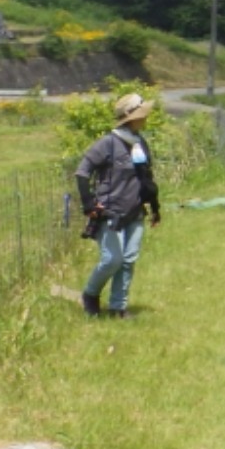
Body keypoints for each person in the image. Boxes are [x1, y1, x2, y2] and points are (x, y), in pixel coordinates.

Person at [75, 92, 162, 319]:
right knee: (112, 259)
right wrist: (89, 204)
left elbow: (147, 178)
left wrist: (154, 208)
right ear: (130, 117)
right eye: (141, 114)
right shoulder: (108, 144)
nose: (145, 118)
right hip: (109, 212)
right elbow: (82, 172)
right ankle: (90, 294)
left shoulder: (140, 142)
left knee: (128, 261)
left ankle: (117, 308)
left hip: (135, 211)